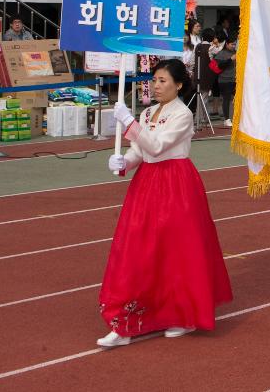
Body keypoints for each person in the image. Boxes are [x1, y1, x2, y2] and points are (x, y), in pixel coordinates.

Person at [98, 59, 231, 347]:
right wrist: (124, 162)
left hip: (176, 185)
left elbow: (158, 146)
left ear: (179, 85)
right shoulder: (147, 113)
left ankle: (181, 315)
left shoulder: (182, 115)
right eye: (154, 80)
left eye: (162, 81)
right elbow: (141, 151)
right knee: (138, 250)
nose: (156, 86)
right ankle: (126, 323)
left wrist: (129, 123)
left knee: (176, 251)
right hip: (146, 184)